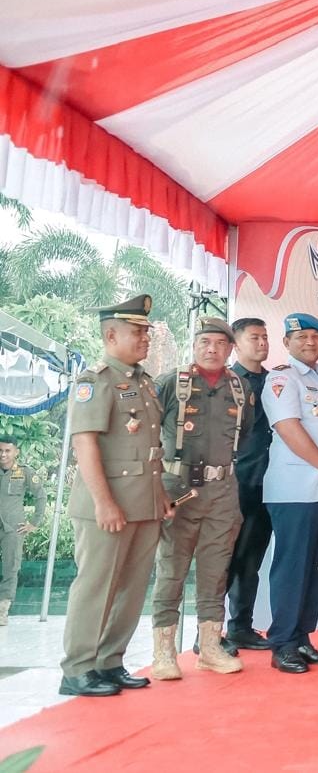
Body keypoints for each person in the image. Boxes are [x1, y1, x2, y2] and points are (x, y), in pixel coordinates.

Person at [60, 295, 172, 697]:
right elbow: (85, 445)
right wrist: (105, 502)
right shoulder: (96, 381)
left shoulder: (144, 383)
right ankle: (77, 668)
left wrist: (159, 496)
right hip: (106, 506)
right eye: (137, 331)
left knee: (131, 586)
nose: (145, 338)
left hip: (143, 504)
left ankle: (109, 661)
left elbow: (150, 451)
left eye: (145, 330)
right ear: (111, 335)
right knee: (97, 584)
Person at [149, 317, 250, 680]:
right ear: (194, 345)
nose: (212, 349)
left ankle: (209, 647)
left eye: (220, 344)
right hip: (179, 490)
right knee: (171, 571)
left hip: (223, 492)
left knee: (215, 573)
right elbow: (149, 432)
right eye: (205, 342)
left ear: (230, 348)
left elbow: (246, 433)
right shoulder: (171, 383)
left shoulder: (238, 388)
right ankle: (163, 653)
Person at [260, 313, 318, 674]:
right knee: (293, 566)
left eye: (316, 337)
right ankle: (282, 643)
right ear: (287, 343)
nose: (310, 343)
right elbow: (288, 427)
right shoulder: (283, 378)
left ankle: (301, 638)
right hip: (295, 489)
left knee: (315, 567)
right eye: (302, 338)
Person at [224, 317, 275, 651]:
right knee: (225, 559)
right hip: (235, 482)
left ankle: (241, 625)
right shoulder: (226, 382)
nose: (261, 343)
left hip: (268, 483)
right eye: (254, 337)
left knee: (251, 558)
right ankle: (208, 631)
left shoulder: (275, 381)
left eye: (265, 337)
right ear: (237, 344)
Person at [0, 437, 45, 625]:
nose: (3, 454)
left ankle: (2, 610)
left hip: (13, 528)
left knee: (11, 567)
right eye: (0, 450)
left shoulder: (24, 472)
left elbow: (41, 496)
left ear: (16, 452)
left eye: (7, 451)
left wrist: (34, 523)